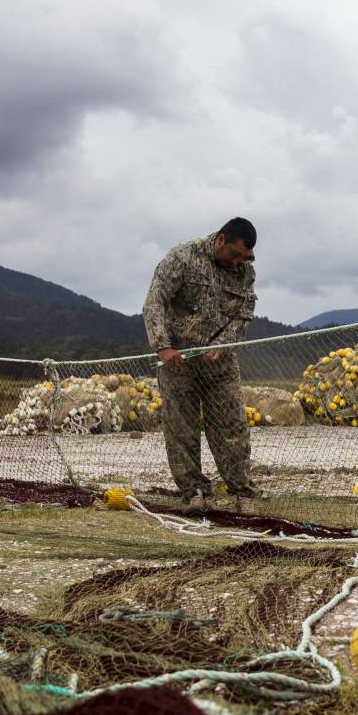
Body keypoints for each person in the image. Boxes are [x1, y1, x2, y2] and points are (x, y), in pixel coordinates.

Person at [142, 217, 259, 513]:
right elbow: (154, 301)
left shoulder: (245, 272)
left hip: (220, 365)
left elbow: (244, 313)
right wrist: (163, 346)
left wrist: (224, 344)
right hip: (178, 362)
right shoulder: (182, 258)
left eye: (243, 258)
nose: (237, 262)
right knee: (182, 428)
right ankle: (194, 493)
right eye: (234, 254)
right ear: (220, 240)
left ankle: (242, 492)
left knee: (232, 425)